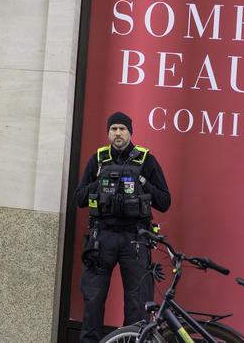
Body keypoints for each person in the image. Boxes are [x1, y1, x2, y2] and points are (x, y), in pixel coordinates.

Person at [74, 111, 171, 343]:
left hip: (134, 240)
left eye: (122, 129)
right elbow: (79, 198)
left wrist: (141, 181)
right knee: (93, 300)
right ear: (108, 132)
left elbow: (164, 201)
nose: (118, 133)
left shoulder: (146, 160)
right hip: (101, 238)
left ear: (130, 132)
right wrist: (101, 180)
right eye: (114, 129)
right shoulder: (98, 160)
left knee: (138, 304)